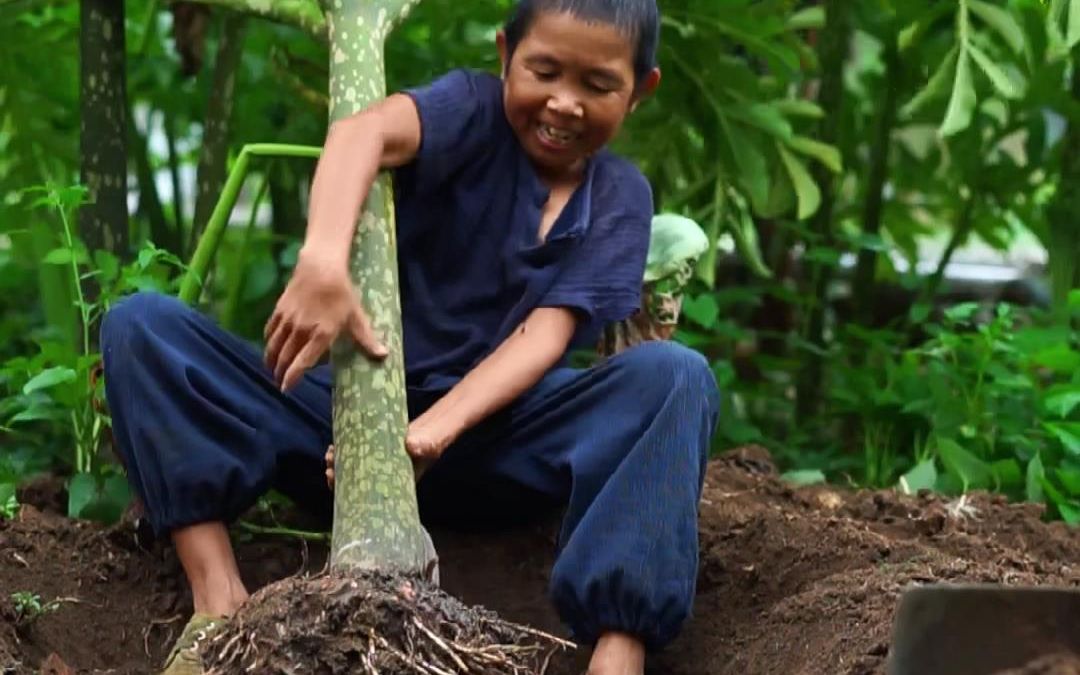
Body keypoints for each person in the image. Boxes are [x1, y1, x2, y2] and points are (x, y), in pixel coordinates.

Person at [100, 1, 720, 673]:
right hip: (344, 427)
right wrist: (323, 261)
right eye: (544, 71)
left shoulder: (623, 195)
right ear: (505, 54)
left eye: (597, 86)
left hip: (504, 441)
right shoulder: (470, 109)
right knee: (141, 327)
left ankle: (617, 651)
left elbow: (548, 333)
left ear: (640, 91)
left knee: (676, 376)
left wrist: (429, 433)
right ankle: (217, 596)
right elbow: (361, 134)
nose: (564, 103)